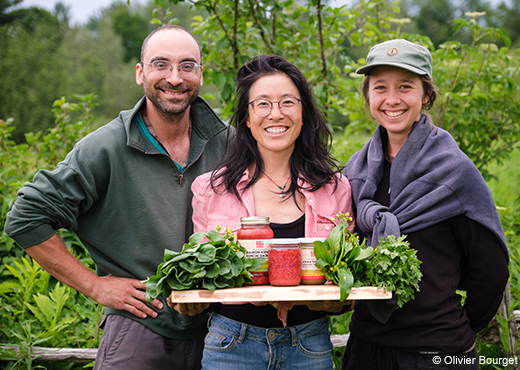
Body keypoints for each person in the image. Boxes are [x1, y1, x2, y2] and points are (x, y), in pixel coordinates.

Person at [5, 25, 232, 370]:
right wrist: (94, 286)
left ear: (201, 74)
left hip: (221, 330)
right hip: (141, 328)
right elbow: (26, 217)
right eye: (161, 65)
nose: (175, 77)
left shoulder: (228, 143)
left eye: (187, 66)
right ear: (140, 73)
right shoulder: (105, 147)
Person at [341, 39, 509, 369]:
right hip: (366, 348)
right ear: (368, 96)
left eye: (405, 86)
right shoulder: (355, 171)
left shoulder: (453, 171)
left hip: (437, 350)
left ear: (426, 95)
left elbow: (490, 270)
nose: (392, 99)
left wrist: (455, 329)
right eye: (380, 88)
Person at [187, 54, 354, 370]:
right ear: (247, 119)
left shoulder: (336, 188)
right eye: (262, 104)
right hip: (230, 345)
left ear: (303, 113)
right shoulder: (210, 189)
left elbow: (344, 283)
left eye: (288, 102)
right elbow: (202, 276)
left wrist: (337, 299)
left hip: (308, 344)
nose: (275, 114)